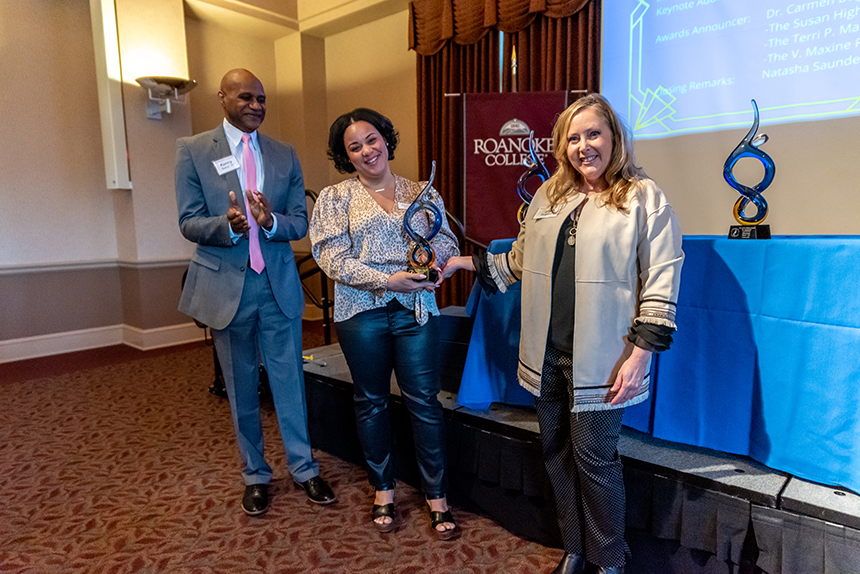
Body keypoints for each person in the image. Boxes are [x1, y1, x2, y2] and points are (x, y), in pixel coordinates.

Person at [442, 94, 684, 573]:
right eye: (572, 138)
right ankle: (576, 547)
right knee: (554, 453)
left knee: (595, 461)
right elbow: (519, 260)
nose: (582, 146)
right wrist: (461, 262)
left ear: (614, 137)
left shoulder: (644, 196)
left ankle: (609, 560)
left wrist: (640, 356)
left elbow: (662, 276)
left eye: (593, 134)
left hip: (604, 359)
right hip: (548, 354)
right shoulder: (549, 195)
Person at [175, 68, 336, 517]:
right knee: (241, 386)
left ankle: (305, 469)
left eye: (262, 99)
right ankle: (256, 475)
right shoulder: (192, 151)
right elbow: (188, 221)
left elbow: (299, 223)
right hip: (228, 287)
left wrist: (270, 223)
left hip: (277, 284)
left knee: (290, 384)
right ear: (222, 96)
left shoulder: (283, 154)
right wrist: (225, 225)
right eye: (246, 97)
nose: (256, 105)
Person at [309, 108, 460, 539]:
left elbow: (446, 239)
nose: (366, 150)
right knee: (371, 401)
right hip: (362, 312)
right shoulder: (334, 199)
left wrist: (434, 262)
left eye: (371, 139)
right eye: (354, 147)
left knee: (424, 403)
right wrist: (385, 279)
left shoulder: (421, 190)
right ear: (346, 157)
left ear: (386, 140)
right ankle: (383, 489)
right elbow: (330, 257)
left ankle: (437, 495)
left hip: (416, 311)